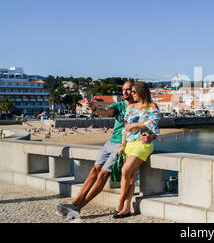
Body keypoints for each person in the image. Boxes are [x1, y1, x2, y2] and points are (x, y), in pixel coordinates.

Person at [56, 80, 156, 217]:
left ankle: (79, 207)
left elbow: (152, 124)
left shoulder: (141, 106)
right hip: (112, 142)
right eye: (124, 90)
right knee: (94, 170)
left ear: (137, 91)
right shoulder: (122, 106)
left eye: (130, 90)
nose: (126, 92)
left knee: (103, 174)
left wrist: (151, 136)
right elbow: (107, 111)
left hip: (124, 145)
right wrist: (95, 108)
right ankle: (75, 203)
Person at [113, 81, 160, 218]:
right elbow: (125, 129)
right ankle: (126, 208)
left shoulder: (152, 106)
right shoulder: (130, 107)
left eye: (133, 92)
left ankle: (120, 201)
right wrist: (122, 145)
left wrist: (136, 125)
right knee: (131, 179)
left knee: (125, 170)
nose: (131, 95)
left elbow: (152, 125)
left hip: (142, 145)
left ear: (141, 92)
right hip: (129, 144)